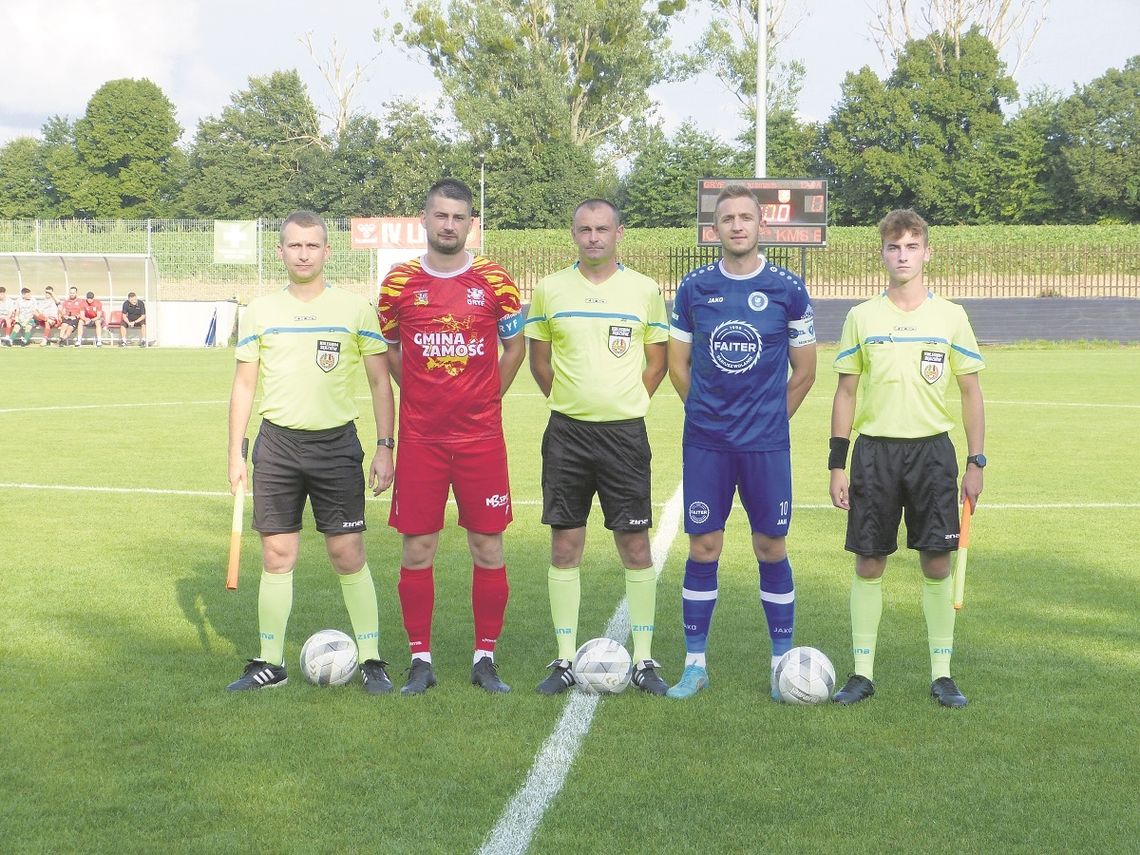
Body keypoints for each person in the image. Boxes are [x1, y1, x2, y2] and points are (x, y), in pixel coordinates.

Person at [225, 210, 397, 694]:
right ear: (280, 251)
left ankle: (372, 660)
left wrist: (386, 447)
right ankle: (270, 662)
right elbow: (243, 386)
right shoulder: (258, 312)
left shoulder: (355, 310)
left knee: (347, 552)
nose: (303, 254)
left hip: (336, 445)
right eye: (294, 246)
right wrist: (236, 453)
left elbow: (381, 382)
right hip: (277, 444)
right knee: (277, 554)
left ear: (327, 251)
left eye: (312, 246)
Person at [828, 209, 985, 709]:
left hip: (933, 452)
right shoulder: (862, 316)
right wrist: (837, 463)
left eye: (911, 246)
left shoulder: (951, 317)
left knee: (936, 562)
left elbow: (971, 392)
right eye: (894, 247)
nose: (902, 255)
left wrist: (976, 461)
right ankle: (861, 673)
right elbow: (846, 393)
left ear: (927, 253)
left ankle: (942, 674)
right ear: (882, 254)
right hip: (874, 451)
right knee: (869, 560)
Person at [665, 184, 817, 699]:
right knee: (704, 546)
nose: (736, 226)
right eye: (726, 218)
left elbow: (805, 371)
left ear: (761, 227)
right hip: (707, 441)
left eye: (745, 218)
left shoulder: (788, 289)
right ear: (714, 229)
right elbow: (676, 365)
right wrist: (706, 412)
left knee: (770, 545)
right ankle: (694, 664)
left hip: (765, 444)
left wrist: (769, 420)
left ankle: (782, 666)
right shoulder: (693, 288)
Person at [377, 178, 525, 695]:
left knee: (488, 546)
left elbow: (515, 348)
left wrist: (488, 396)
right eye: (440, 216)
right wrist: (415, 392)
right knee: (418, 549)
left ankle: (485, 657)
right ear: (424, 219)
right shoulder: (398, 284)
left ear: (470, 224)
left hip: (481, 438)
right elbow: (390, 351)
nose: (449, 225)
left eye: (458, 217)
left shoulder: (496, 281)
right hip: (421, 439)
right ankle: (421, 659)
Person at [525, 199, 671, 695]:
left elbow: (657, 361)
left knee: (635, 544)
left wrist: (625, 401)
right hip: (567, 434)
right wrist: (570, 401)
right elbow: (539, 361)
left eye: (602, 229)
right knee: (565, 544)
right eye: (584, 229)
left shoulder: (645, 290)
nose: (593, 237)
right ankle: (564, 658)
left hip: (625, 435)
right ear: (573, 234)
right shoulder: (549, 289)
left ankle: (646, 660)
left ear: (619, 233)